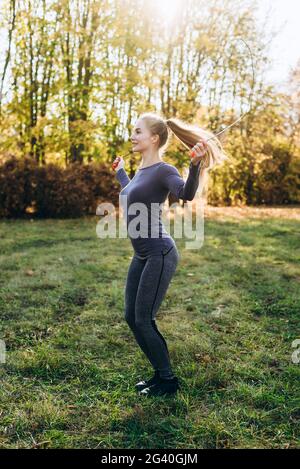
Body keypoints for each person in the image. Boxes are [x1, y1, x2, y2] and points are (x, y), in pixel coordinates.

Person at [112, 113, 228, 397]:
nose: (132, 136)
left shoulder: (165, 170)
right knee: (131, 316)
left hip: (159, 253)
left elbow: (186, 194)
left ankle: (167, 380)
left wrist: (195, 165)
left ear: (154, 138)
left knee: (143, 319)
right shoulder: (142, 170)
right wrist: (120, 173)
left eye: (138, 131)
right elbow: (131, 193)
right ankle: (157, 374)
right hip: (141, 254)